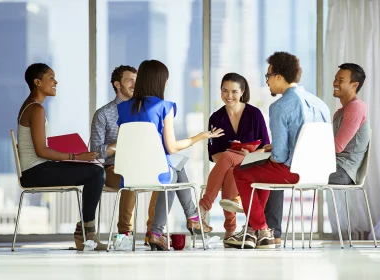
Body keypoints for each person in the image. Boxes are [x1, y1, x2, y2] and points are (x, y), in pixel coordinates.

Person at [224, 51, 331, 249]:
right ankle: (255, 230)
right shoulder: (321, 104)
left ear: (279, 77)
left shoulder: (280, 106)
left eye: (268, 76)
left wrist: (270, 153)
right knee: (262, 174)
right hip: (320, 172)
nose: (267, 81)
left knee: (241, 172)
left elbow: (280, 156)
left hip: (294, 172)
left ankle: (262, 229)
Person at [117, 60, 223, 251]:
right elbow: (172, 147)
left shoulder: (123, 108)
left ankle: (189, 220)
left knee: (177, 166)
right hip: (157, 173)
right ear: (160, 81)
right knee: (174, 173)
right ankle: (175, 224)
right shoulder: (164, 107)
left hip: (128, 174)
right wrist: (200, 136)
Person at [18, 63, 105, 251]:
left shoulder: (31, 107)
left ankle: (84, 231)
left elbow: (41, 148)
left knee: (95, 171)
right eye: (51, 77)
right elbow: (41, 151)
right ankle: (86, 233)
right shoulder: (36, 109)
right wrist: (76, 156)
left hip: (38, 169)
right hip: (36, 172)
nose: (55, 81)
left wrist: (71, 156)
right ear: (37, 82)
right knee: (96, 173)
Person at [198, 73, 270, 246]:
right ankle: (230, 232)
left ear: (242, 92)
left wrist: (246, 155)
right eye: (225, 91)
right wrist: (232, 155)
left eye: (234, 91)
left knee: (229, 158)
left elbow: (266, 147)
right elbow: (214, 154)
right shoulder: (216, 118)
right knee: (230, 167)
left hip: (254, 164)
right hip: (229, 167)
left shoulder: (254, 114)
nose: (229, 96)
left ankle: (203, 207)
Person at [90, 65, 138, 237]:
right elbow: (95, 152)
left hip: (143, 166)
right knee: (130, 178)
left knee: (168, 175)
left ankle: (154, 232)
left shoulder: (143, 111)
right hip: (113, 169)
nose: (135, 84)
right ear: (117, 84)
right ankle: (125, 233)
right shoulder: (103, 114)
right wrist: (121, 142)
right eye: (129, 80)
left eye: (136, 80)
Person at [327, 63, 370, 237]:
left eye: (341, 80)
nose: (335, 82)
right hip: (334, 166)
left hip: (342, 171)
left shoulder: (356, 107)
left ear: (354, 85)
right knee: (282, 167)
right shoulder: (340, 112)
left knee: (284, 170)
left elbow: (336, 147)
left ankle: (264, 229)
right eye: (335, 78)